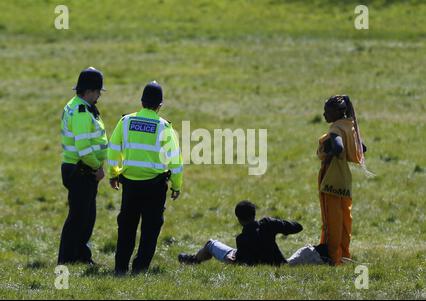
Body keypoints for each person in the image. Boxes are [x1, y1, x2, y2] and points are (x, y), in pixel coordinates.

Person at [108, 81, 183, 275]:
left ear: (141, 102)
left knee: (126, 228)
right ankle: (140, 269)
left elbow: (114, 149)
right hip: (155, 187)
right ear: (160, 105)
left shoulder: (125, 121)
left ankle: (120, 268)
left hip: (130, 186)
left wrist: (113, 174)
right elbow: (175, 161)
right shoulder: (164, 127)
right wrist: (176, 186)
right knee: (150, 230)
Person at [58, 67, 108, 265]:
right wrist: (97, 167)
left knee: (87, 218)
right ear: (89, 91)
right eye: (98, 92)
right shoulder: (80, 111)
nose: (99, 97)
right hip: (81, 170)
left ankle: (79, 255)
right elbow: (83, 148)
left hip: (82, 170)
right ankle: (66, 260)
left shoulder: (80, 106)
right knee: (78, 219)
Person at [317, 95, 369, 265]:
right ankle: (344, 254)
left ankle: (332, 258)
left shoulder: (335, 130)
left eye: (327, 112)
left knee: (331, 221)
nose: (324, 115)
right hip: (345, 179)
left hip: (331, 176)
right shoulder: (349, 126)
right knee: (345, 219)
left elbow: (339, 147)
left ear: (336, 113)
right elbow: (362, 147)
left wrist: (331, 153)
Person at [178, 200, 303, 266]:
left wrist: (234, 258)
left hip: (247, 260)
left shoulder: (242, 239)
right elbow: (298, 227)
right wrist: (282, 224)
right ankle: (193, 260)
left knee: (211, 244)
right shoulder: (269, 224)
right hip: (278, 263)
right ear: (254, 213)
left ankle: (194, 260)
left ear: (238, 219)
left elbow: (243, 264)